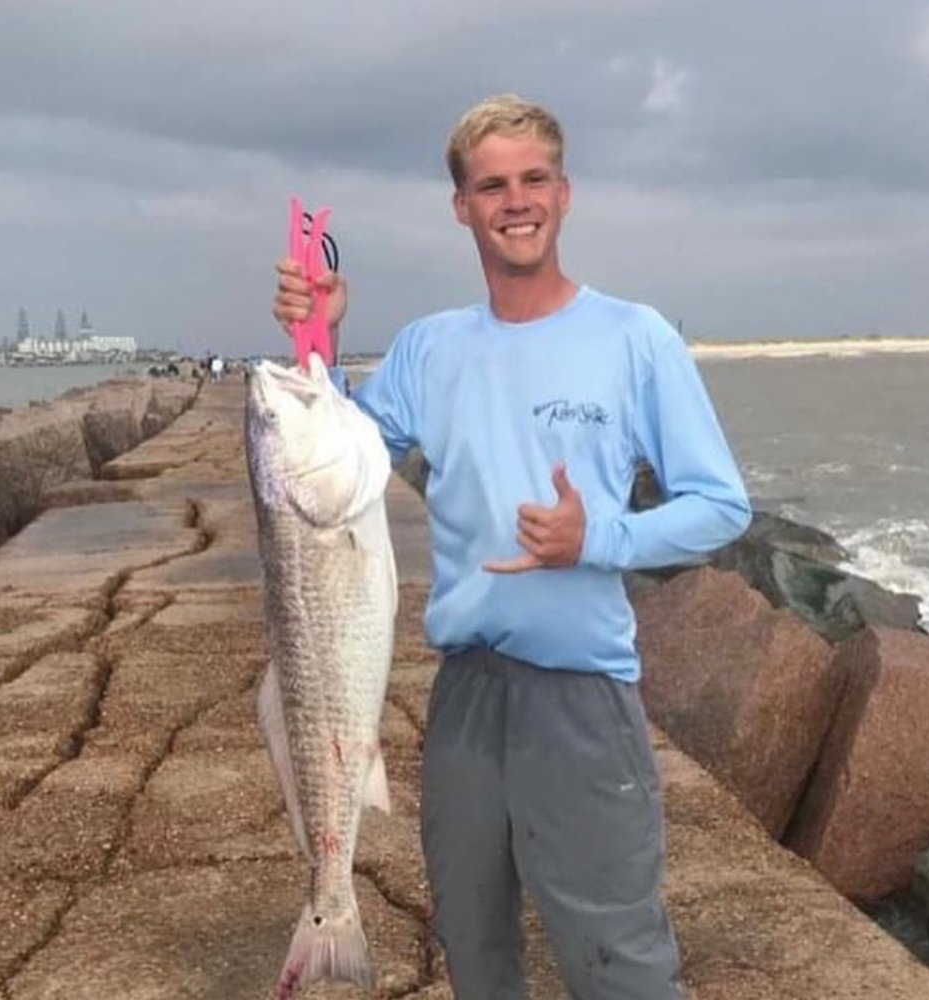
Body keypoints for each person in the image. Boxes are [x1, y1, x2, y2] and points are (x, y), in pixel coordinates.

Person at [272, 94, 751, 999]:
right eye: (491, 186)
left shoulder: (634, 337)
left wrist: (595, 537)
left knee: (617, 960)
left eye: (533, 179)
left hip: (581, 699)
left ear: (565, 194)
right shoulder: (425, 350)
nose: (515, 200)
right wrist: (320, 342)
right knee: (475, 948)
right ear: (462, 206)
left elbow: (720, 506)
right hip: (464, 700)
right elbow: (334, 467)